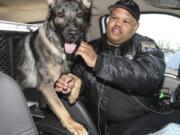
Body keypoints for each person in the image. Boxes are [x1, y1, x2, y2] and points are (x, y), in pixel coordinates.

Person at [55, 0, 180, 134]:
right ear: (108, 20)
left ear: (135, 27)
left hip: (143, 119)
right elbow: (79, 81)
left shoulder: (144, 45)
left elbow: (152, 74)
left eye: (126, 21)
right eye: (114, 17)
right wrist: (71, 84)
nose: (118, 24)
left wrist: (99, 62)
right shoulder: (90, 48)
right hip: (102, 125)